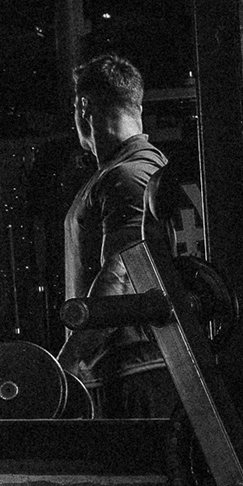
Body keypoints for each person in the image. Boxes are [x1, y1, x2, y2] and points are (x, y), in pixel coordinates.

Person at [58, 52, 173, 417]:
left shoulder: (127, 176)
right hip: (134, 367)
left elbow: (121, 277)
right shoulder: (149, 168)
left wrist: (67, 361)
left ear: (84, 107)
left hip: (131, 372)